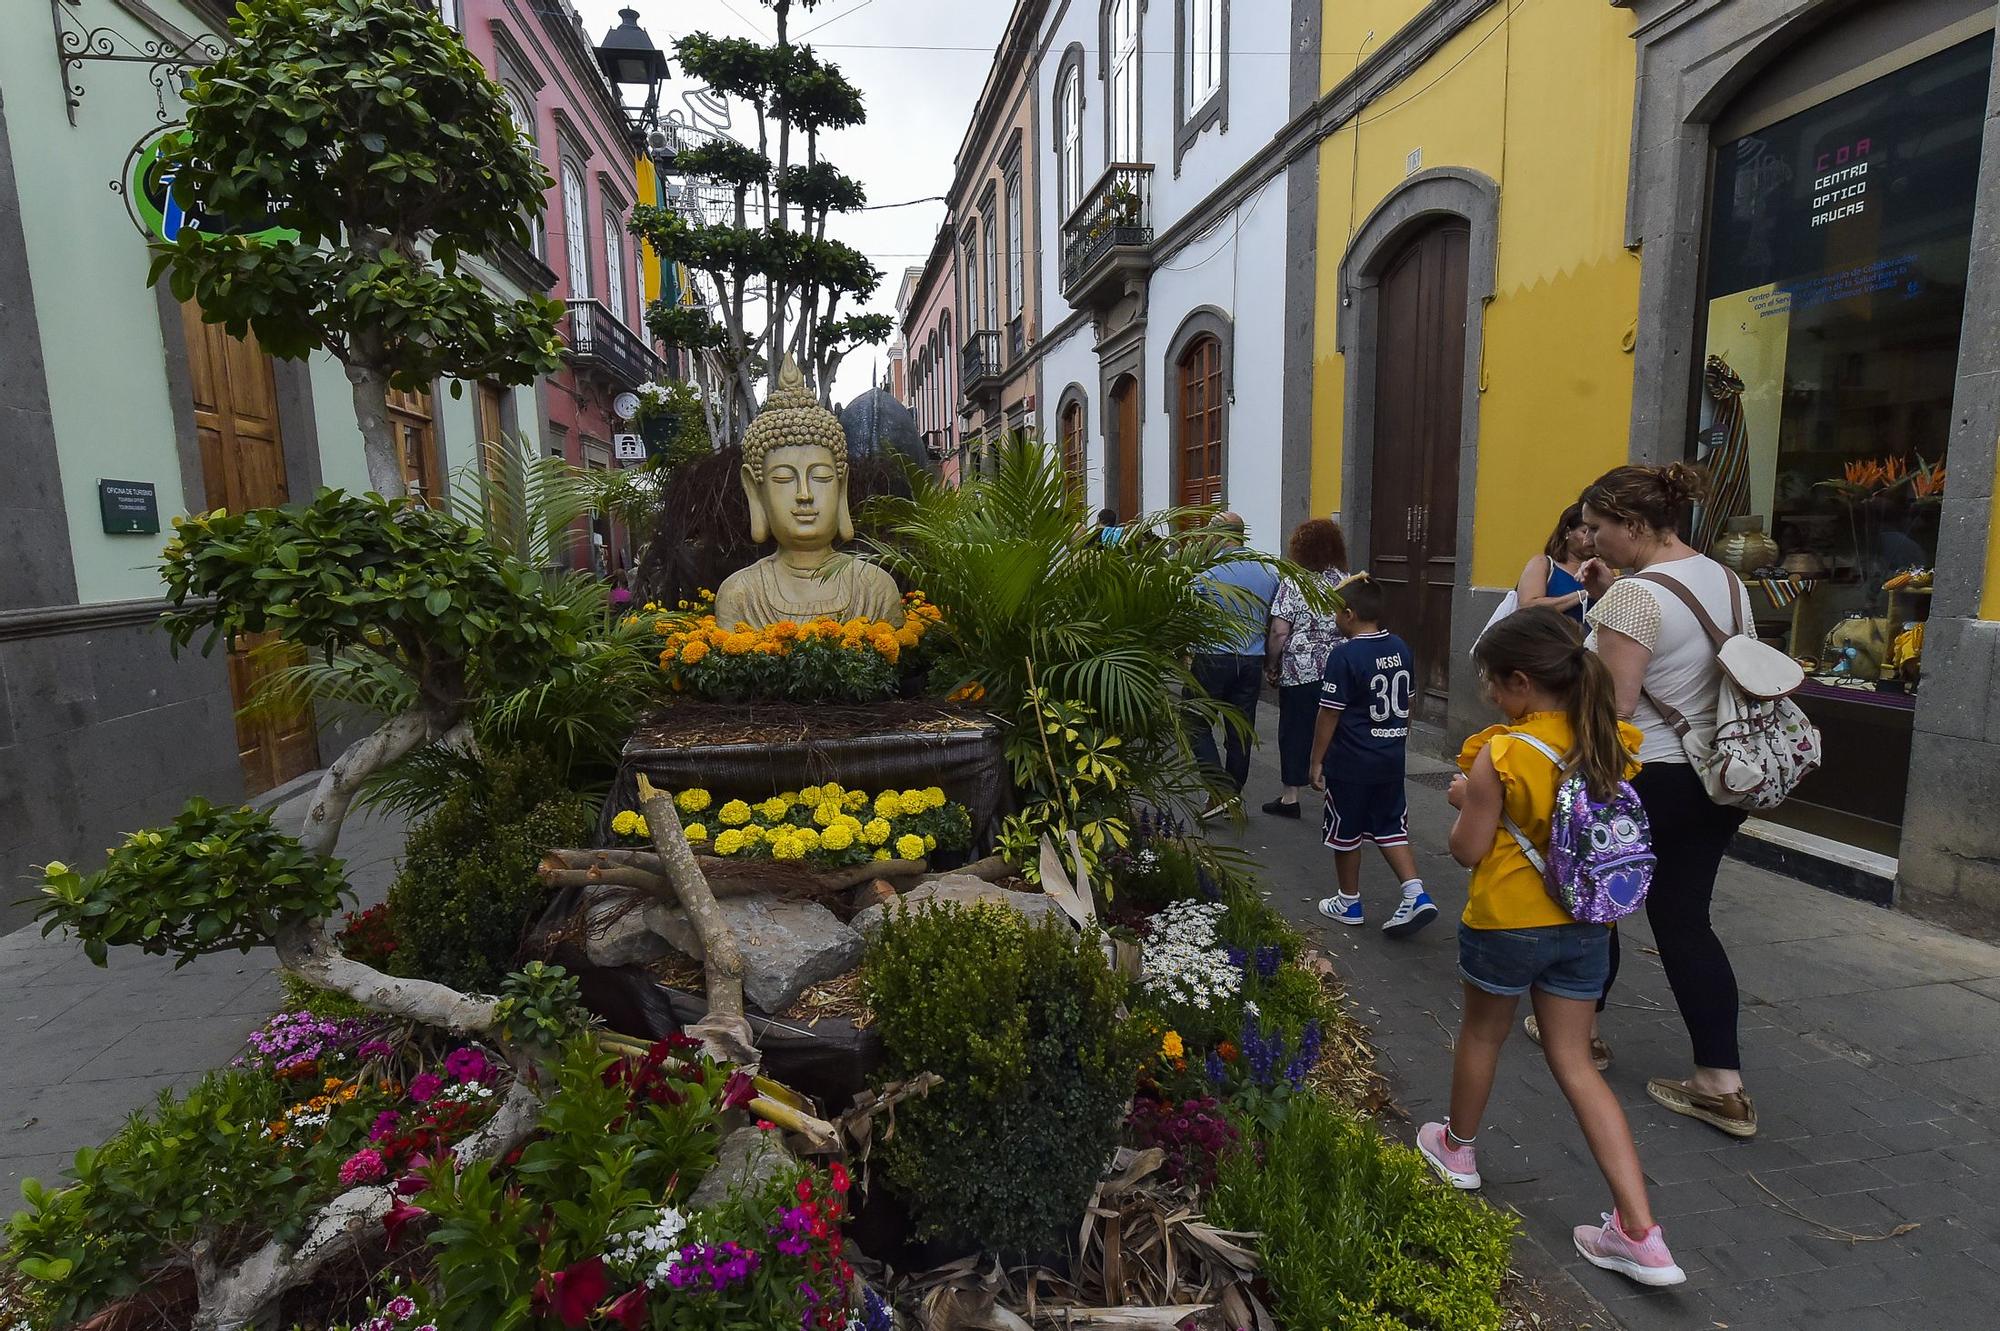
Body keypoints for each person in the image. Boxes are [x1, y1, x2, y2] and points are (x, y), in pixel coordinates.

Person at [1419, 606, 1686, 1289]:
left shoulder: (1501, 754)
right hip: (1587, 925)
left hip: (1506, 921)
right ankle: (1640, 1231)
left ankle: (1458, 1150)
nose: (1490, 699)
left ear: (1518, 683)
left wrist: (1463, 798)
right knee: (1576, 1061)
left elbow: (1465, 850)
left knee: (1482, 1035)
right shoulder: (1613, 740)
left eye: (1491, 687)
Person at [1578, 462, 1757, 1139]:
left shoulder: (1633, 597)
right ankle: (1721, 1081)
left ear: (1633, 524)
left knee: (1601, 903)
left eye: (1597, 530)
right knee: (1685, 919)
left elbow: (1616, 703)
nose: (1591, 544)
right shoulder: (1724, 578)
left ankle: (1583, 1034)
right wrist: (1611, 595)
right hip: (1714, 776)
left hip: (1647, 771)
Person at [1310, 574, 1436, 937]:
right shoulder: (1401, 647)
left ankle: (1348, 900)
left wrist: (1317, 759)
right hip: (1390, 757)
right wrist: (1398, 739)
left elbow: (1330, 712)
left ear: (1349, 615)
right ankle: (1415, 891)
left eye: (1336, 613)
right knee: (1390, 825)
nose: (1334, 619)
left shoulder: (1344, 655)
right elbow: (1409, 703)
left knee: (1344, 830)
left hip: (1351, 761)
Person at [1187, 512, 1279, 815]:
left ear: (1219, 536)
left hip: (1212, 658)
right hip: (1251, 660)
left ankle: (1220, 791)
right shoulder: (1268, 572)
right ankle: (1232, 794)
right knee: (1240, 730)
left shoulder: (1209, 574)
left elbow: (1190, 612)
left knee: (1195, 722)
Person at [1262, 519, 1349, 818]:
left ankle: (1290, 798)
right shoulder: (1346, 580)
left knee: (1295, 730)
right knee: (1335, 728)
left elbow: (1279, 631)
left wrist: (1271, 664)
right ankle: (1335, 791)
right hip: (1339, 668)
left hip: (1300, 669)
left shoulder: (1293, 582)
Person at [1516, 503, 1595, 624]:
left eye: (1596, 532)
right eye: (1585, 532)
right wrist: (1582, 595)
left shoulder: (1602, 569)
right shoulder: (1542, 564)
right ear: (1567, 532)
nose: (1591, 539)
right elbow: (1528, 608)